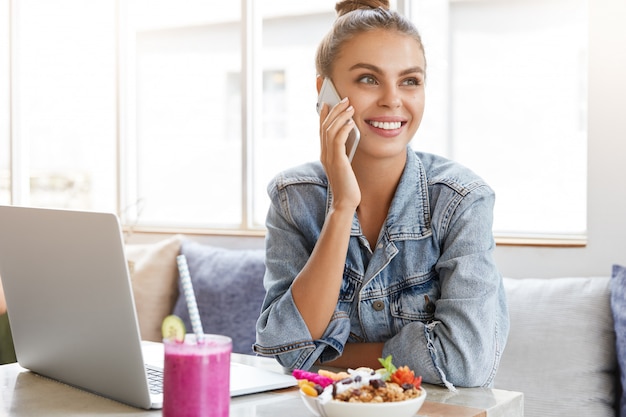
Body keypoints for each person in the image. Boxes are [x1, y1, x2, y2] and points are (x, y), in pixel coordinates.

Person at [254, 0, 509, 389]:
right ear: (324, 91)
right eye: (369, 79)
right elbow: (283, 348)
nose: (393, 99)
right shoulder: (294, 199)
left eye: (410, 80)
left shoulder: (461, 201)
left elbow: (463, 361)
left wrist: (328, 355)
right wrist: (342, 207)